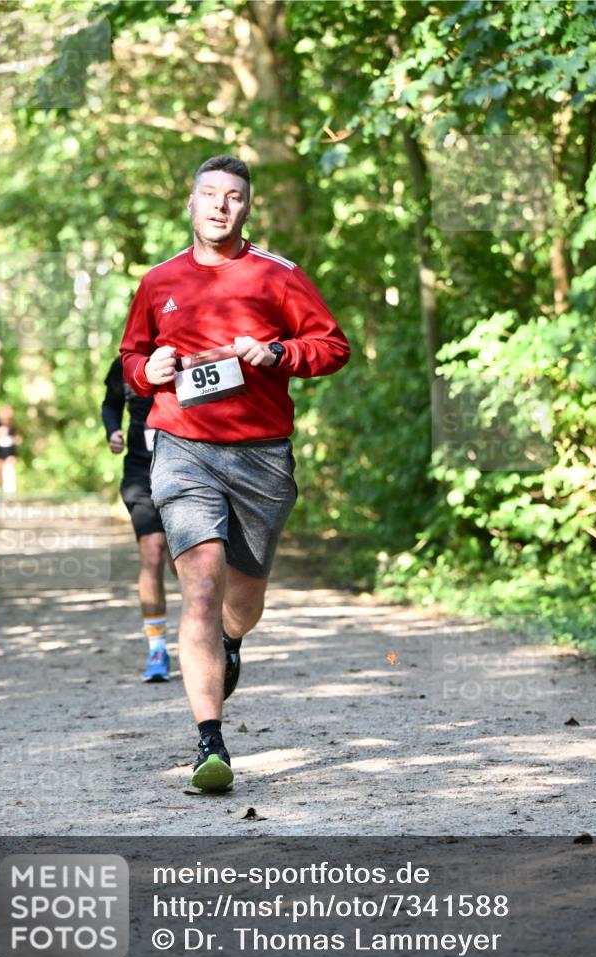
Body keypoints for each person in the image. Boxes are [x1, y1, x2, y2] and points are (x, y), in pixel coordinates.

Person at [120, 154, 350, 792]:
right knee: (200, 585)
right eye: (209, 193)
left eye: (233, 196)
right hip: (182, 447)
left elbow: (333, 347)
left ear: (247, 207)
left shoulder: (278, 275)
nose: (220, 205)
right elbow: (132, 355)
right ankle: (209, 743)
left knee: (241, 604)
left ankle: (231, 639)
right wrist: (147, 371)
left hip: (261, 456)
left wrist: (278, 352)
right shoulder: (158, 281)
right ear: (190, 203)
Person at [102, 355, 176, 682]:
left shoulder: (185, 352)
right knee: (152, 551)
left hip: (187, 470)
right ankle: (157, 648)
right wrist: (113, 431)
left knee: (186, 563)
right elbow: (110, 404)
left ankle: (208, 636)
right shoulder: (124, 364)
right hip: (140, 473)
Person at [0, 404, 22, 496]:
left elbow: (19, 439)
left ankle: (10, 495)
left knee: (9, 472)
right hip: (0, 451)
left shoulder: (13, 425)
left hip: (10, 452)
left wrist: (15, 440)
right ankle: (0, 493)